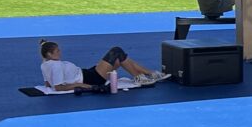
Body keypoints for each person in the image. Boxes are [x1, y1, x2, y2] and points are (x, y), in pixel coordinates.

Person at [39, 40, 167, 91]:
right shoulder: (54, 65)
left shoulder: (44, 65)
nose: (60, 52)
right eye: (57, 51)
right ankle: (141, 76)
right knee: (116, 51)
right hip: (92, 78)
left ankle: (149, 74)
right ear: (49, 54)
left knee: (119, 59)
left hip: (89, 73)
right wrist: (79, 84)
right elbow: (58, 87)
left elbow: (48, 84)